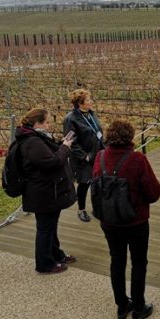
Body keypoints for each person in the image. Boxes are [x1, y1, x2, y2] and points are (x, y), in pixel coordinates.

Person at [93, 119, 160, 319]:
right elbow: (153, 192)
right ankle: (139, 307)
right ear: (130, 136)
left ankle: (122, 305)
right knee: (139, 262)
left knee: (117, 260)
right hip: (136, 221)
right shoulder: (137, 159)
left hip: (109, 220)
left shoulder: (100, 157)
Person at [15, 108, 77, 274]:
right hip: (42, 192)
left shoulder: (37, 138)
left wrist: (60, 145)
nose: (49, 125)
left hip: (48, 190)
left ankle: (56, 254)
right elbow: (51, 162)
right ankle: (44, 263)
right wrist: (65, 147)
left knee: (51, 226)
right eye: (47, 122)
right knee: (45, 229)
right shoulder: (32, 141)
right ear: (37, 123)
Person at [63, 89, 104, 223]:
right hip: (83, 158)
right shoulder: (71, 119)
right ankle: (81, 210)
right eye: (88, 100)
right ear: (80, 104)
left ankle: (98, 208)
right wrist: (84, 156)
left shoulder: (91, 114)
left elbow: (97, 132)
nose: (91, 101)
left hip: (97, 154)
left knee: (98, 182)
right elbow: (71, 141)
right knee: (84, 183)